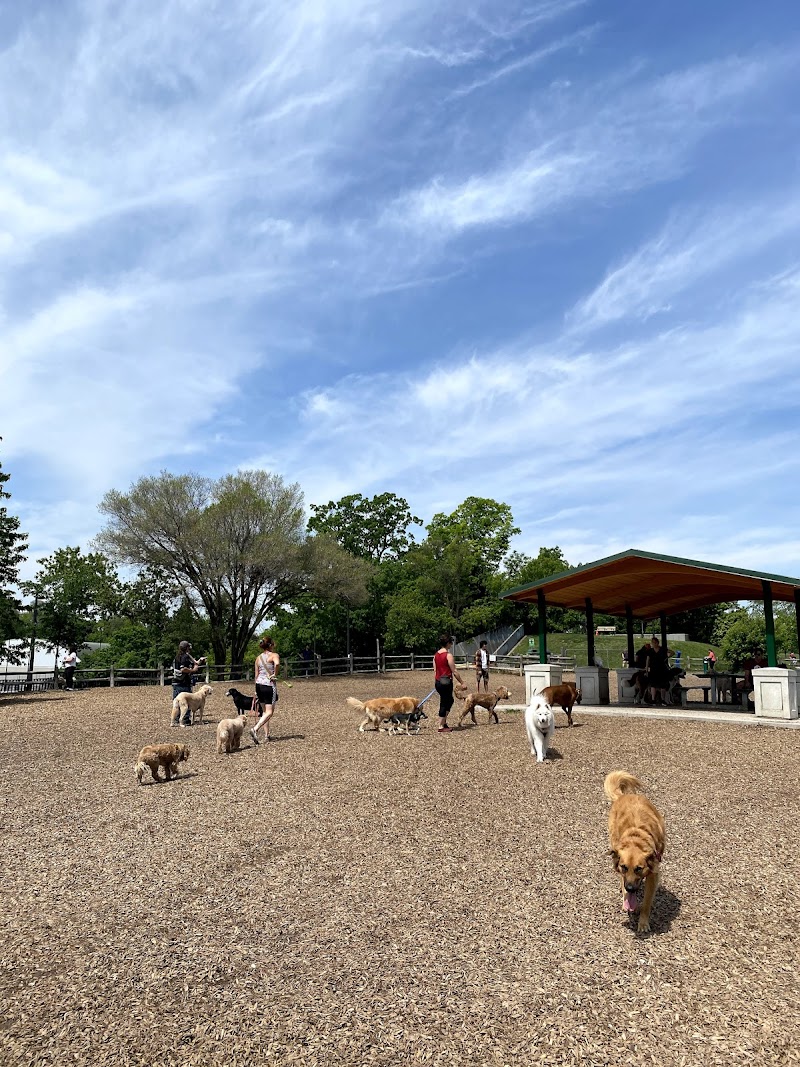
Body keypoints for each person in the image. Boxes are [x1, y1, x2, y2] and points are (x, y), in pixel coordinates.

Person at [251, 636, 280, 744]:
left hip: (259, 685)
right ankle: (255, 729)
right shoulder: (274, 655)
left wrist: (255, 690)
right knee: (269, 712)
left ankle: (267, 736)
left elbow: (256, 675)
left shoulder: (258, 658)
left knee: (264, 712)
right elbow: (277, 663)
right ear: (271, 645)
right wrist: (274, 674)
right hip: (268, 685)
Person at [170, 640, 206, 727]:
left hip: (176, 682)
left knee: (176, 703)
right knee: (186, 703)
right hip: (183, 683)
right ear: (187, 648)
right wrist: (193, 670)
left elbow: (194, 663)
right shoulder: (185, 657)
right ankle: (185, 720)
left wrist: (198, 663)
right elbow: (183, 669)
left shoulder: (177, 657)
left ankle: (175, 720)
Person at [433, 635, 464, 734]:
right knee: (445, 702)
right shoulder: (448, 655)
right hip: (446, 682)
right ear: (448, 643)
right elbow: (454, 671)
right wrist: (462, 682)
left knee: (449, 701)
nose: (451, 645)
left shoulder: (436, 655)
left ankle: (443, 721)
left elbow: (435, 670)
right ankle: (441, 725)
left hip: (438, 681)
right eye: (451, 643)